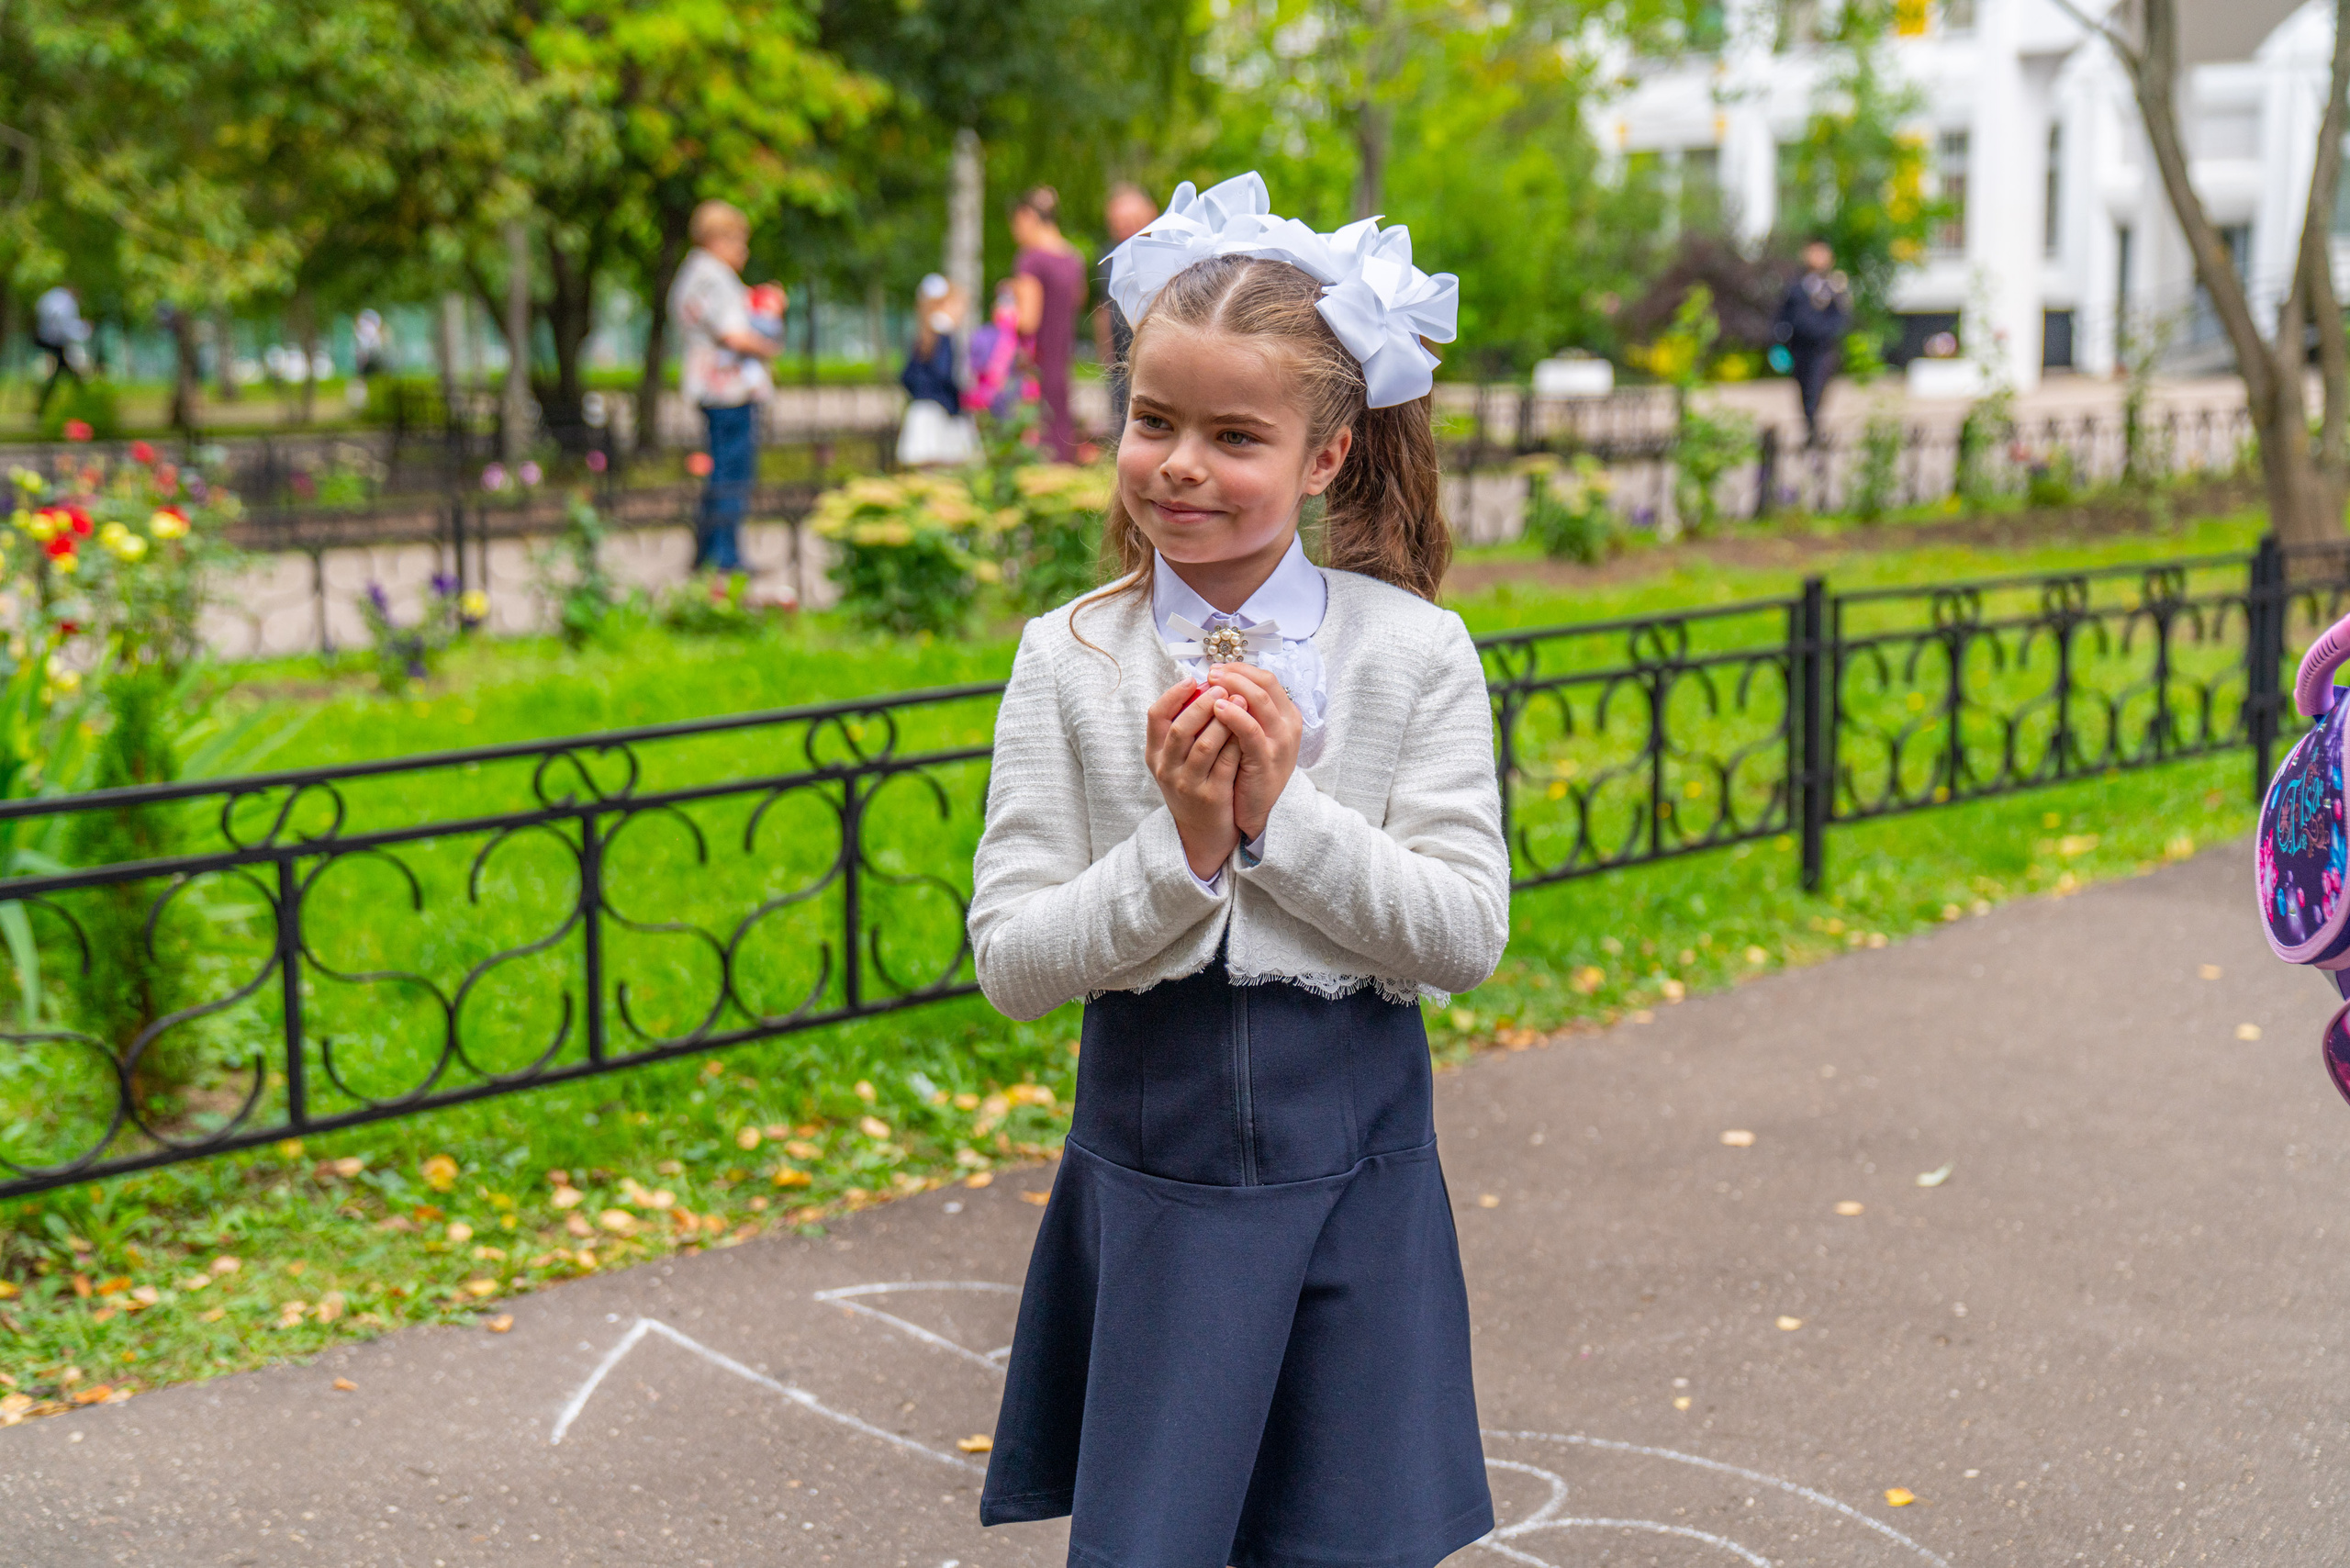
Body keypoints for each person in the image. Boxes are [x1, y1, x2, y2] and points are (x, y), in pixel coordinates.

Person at [968, 171, 1505, 1568]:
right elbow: (1015, 964)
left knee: (1346, 1538)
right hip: (1157, 1172)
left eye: (1234, 434)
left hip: (1359, 1175)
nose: (1180, 465)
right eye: (1153, 421)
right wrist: (1187, 850)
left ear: (1326, 458)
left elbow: (1462, 935)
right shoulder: (1070, 659)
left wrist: (1283, 821)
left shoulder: (1413, 654)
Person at [666, 200, 780, 571]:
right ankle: (725, 558)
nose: (743, 250)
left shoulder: (692, 274)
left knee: (720, 472)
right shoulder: (712, 276)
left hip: (711, 386)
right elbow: (734, 336)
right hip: (727, 389)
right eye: (739, 241)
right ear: (717, 238)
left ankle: (707, 554)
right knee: (732, 476)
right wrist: (769, 343)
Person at [1008, 186, 1087, 462]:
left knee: (1036, 438)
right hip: (1062, 361)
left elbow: (1028, 320)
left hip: (1035, 366)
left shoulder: (1031, 259)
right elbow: (1077, 302)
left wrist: (1008, 301)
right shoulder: (1074, 259)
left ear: (1027, 216)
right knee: (1061, 431)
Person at [1092, 181, 1160, 431]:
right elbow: (1103, 310)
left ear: (1151, 213)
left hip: (1159, 355)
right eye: (1118, 222)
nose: (1125, 227)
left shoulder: (1169, 251)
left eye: (1131, 219)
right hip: (1121, 362)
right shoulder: (1109, 257)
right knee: (1125, 425)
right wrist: (1105, 361)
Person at [1772, 239, 1852, 445]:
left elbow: (1840, 317)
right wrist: (1779, 340)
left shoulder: (1834, 287)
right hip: (1800, 347)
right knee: (1804, 388)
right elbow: (1784, 315)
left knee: (1817, 388)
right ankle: (1810, 428)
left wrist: (1826, 332)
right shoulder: (1797, 286)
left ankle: (1813, 430)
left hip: (1823, 348)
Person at [898, 274, 979, 465]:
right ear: (946, 305)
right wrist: (959, 398)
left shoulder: (922, 336)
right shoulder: (945, 336)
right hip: (943, 413)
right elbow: (946, 373)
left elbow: (906, 376)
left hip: (920, 410)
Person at [33, 285, 91, 420]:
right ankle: (85, 401)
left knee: (63, 372)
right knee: (66, 372)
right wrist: (83, 330)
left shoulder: (53, 296)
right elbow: (66, 325)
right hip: (56, 343)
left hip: (49, 340)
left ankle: (43, 406)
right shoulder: (66, 302)